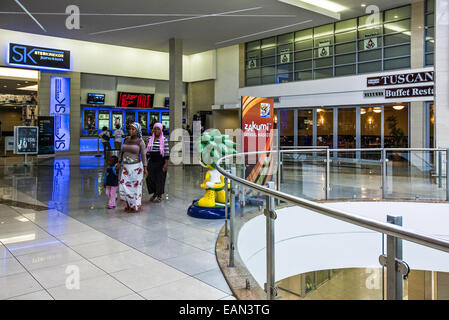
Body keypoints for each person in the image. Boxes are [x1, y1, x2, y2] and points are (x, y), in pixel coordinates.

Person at [116, 122, 148, 212]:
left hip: (136, 168)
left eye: (133, 129)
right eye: (129, 129)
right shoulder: (126, 140)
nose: (130, 131)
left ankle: (134, 206)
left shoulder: (140, 142)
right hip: (126, 167)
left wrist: (145, 168)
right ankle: (128, 205)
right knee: (124, 186)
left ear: (137, 131)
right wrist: (119, 162)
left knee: (134, 188)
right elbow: (121, 152)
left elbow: (143, 155)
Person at [146, 122, 169, 203]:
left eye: (158, 129)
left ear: (161, 130)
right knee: (150, 178)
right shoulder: (149, 139)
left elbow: (166, 152)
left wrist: (166, 164)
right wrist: (145, 162)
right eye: (155, 129)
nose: (156, 130)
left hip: (161, 161)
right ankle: (155, 193)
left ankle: (159, 195)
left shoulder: (164, 139)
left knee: (160, 179)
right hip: (151, 160)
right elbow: (147, 152)